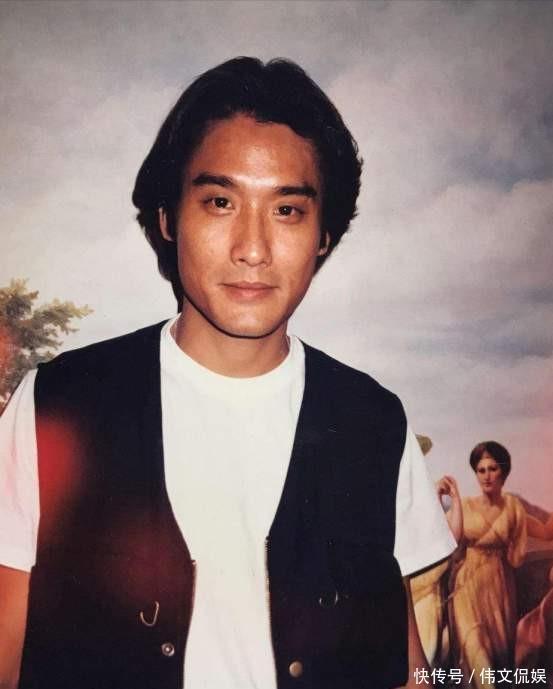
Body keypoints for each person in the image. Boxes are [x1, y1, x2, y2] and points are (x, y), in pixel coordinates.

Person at [0, 57, 456, 689]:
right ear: (168, 217)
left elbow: (404, 668)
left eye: (287, 210)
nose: (253, 248)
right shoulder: (57, 404)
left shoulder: (374, 423)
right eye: (219, 202)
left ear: (324, 235)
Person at [450, 441, 527, 689]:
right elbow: (445, 540)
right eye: (481, 470)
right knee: (475, 650)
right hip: (466, 586)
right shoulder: (464, 506)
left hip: (499, 590)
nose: (486, 476)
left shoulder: (513, 507)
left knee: (498, 657)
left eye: (493, 469)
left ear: (504, 471)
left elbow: (517, 557)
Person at [411, 475, 463, 668]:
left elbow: (452, 538)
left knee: (429, 659)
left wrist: (454, 498)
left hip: (429, 599)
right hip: (413, 598)